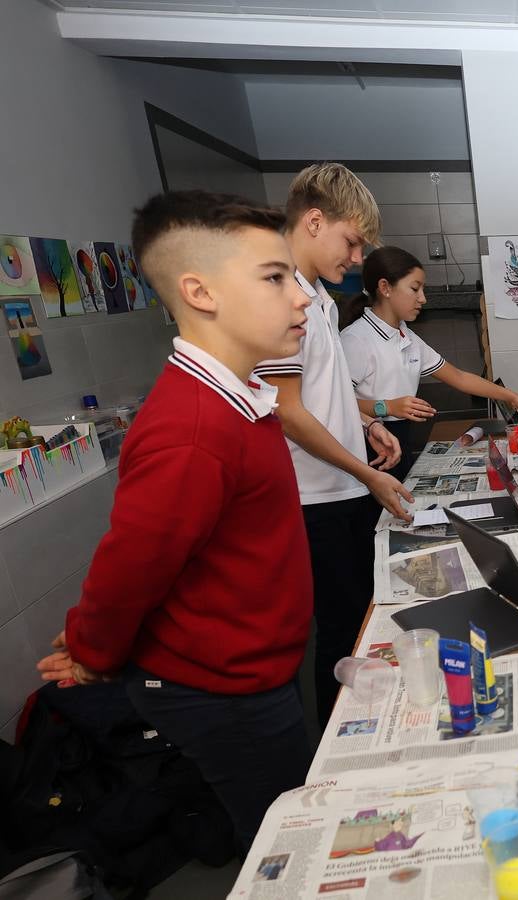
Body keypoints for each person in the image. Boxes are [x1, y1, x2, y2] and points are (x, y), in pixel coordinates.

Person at [36, 191, 315, 851]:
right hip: (222, 689)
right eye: (276, 278)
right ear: (200, 291)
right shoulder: (193, 427)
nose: (301, 297)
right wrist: (94, 651)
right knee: (285, 847)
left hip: (252, 667)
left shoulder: (236, 397)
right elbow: (131, 563)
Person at [252, 163, 414, 726]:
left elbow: (322, 389)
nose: (355, 259)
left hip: (342, 485)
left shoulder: (316, 296)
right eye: (351, 243)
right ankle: (337, 741)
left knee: (360, 620)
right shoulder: (279, 298)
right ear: (314, 221)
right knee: (340, 633)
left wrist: (365, 425)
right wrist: (366, 473)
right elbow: (288, 412)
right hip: (314, 498)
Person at [341, 245, 518, 480]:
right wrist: (386, 407)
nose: (422, 298)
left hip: (400, 439)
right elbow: (338, 403)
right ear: (385, 288)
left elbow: (460, 378)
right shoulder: (356, 340)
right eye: (415, 289)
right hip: (369, 446)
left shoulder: (407, 337)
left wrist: (512, 397)